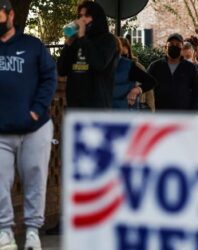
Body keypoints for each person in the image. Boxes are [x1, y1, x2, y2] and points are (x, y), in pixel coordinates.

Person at [0, 1, 57, 249]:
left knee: (35, 178)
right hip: (1, 131)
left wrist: (36, 110)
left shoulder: (32, 46)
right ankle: (5, 232)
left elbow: (49, 77)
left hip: (35, 129)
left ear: (10, 15)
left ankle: (33, 232)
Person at [57, 0, 116, 108]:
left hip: (97, 106)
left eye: (87, 15)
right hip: (75, 105)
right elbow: (61, 70)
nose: (82, 19)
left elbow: (99, 63)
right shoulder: (76, 40)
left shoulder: (107, 39)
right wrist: (68, 45)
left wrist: (83, 38)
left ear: (97, 18)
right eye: (80, 16)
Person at [147, 33, 198, 110]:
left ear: (182, 47)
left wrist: (192, 114)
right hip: (159, 115)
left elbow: (197, 93)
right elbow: (146, 88)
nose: (174, 46)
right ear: (165, 47)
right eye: (171, 44)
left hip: (183, 115)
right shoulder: (155, 66)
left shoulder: (190, 68)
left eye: (177, 44)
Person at [112, 37, 156, 109]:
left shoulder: (132, 66)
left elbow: (150, 89)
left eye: (125, 47)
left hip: (127, 109)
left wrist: (136, 90)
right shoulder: (100, 66)